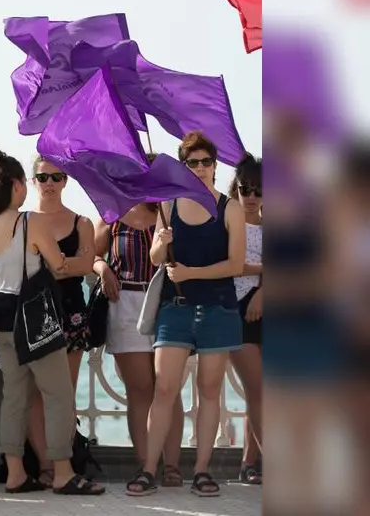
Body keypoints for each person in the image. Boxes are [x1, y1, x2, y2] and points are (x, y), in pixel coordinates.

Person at [127, 132, 245, 498]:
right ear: (183, 167)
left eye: (206, 161)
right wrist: (161, 244)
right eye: (192, 163)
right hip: (174, 309)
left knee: (209, 390)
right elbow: (156, 260)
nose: (200, 168)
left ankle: (202, 471)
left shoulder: (230, 207)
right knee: (164, 389)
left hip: (218, 307)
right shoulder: (169, 205)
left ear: (215, 165)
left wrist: (192, 273)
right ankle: (149, 469)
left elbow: (236, 264)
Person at [0, 148, 104, 496]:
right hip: (33, 316)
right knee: (58, 394)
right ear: (19, 184)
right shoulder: (29, 221)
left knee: (14, 396)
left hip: (1, 314)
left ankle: (15, 473)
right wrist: (79, 259)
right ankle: (63, 472)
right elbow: (59, 265)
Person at [92, 190, 185, 487]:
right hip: (125, 302)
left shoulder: (169, 213)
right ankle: (146, 465)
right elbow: (93, 254)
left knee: (168, 388)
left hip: (164, 301)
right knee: (140, 389)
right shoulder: (112, 213)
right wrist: (103, 269)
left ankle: (172, 466)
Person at [24, 156, 94, 486]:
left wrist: (55, 264)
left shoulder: (81, 222)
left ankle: (64, 462)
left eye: (56, 177)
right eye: (43, 177)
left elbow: (86, 265)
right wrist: (64, 263)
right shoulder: (23, 222)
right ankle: (46, 465)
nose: (50, 183)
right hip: (34, 314)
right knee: (35, 395)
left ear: (65, 181)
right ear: (33, 181)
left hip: (70, 311)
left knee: (64, 393)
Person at [229, 153, 263, 484]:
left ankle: (249, 463)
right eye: (245, 188)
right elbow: (231, 265)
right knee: (258, 388)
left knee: (263, 392)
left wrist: (263, 292)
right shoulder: (227, 223)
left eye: (259, 190)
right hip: (235, 310)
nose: (251, 196)